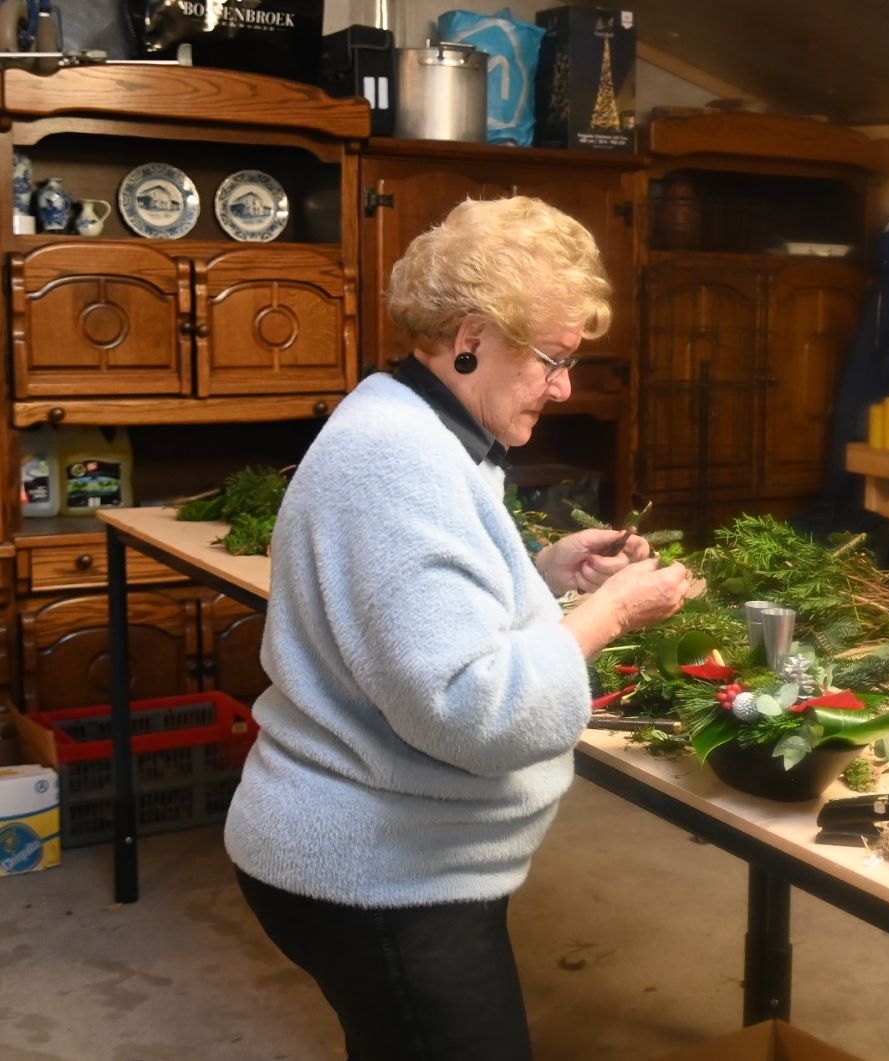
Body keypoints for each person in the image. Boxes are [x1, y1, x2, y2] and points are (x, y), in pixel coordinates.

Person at [225, 196, 697, 1060]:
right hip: (379, 874)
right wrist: (613, 611)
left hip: (384, 857)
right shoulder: (400, 458)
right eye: (554, 359)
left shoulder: (407, 423)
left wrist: (542, 576)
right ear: (472, 335)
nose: (564, 386)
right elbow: (469, 708)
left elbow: (420, 609)